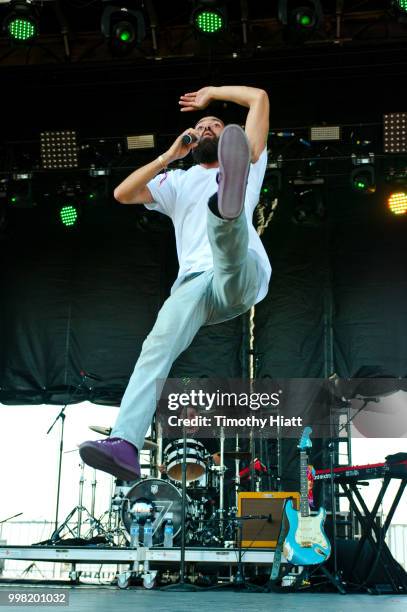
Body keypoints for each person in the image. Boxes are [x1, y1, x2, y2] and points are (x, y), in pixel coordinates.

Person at [79, 85, 271, 480]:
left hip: (238, 274)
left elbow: (259, 98)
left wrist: (213, 93)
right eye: (200, 127)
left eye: (216, 125)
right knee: (155, 349)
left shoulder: (250, 159)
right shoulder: (177, 181)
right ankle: (126, 443)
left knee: (229, 245)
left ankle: (226, 204)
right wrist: (170, 156)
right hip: (192, 286)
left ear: (229, 137)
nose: (207, 129)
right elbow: (122, 193)